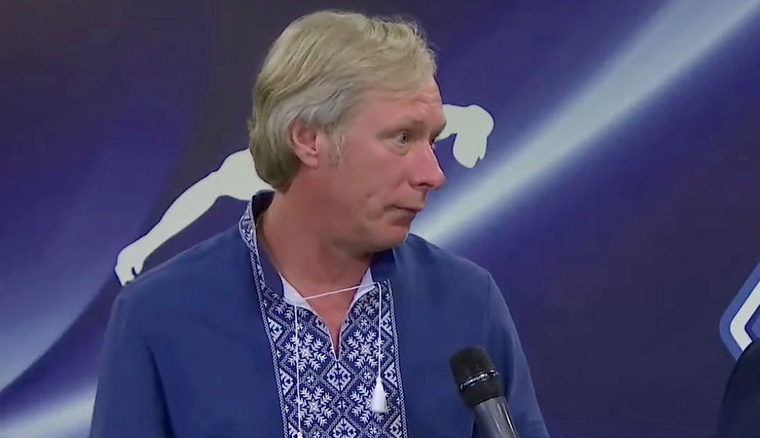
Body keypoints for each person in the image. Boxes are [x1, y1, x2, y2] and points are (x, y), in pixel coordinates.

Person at [90, 10, 550, 438]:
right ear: (309, 139)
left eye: (432, 140)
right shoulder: (158, 315)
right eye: (402, 137)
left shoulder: (467, 300)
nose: (433, 173)